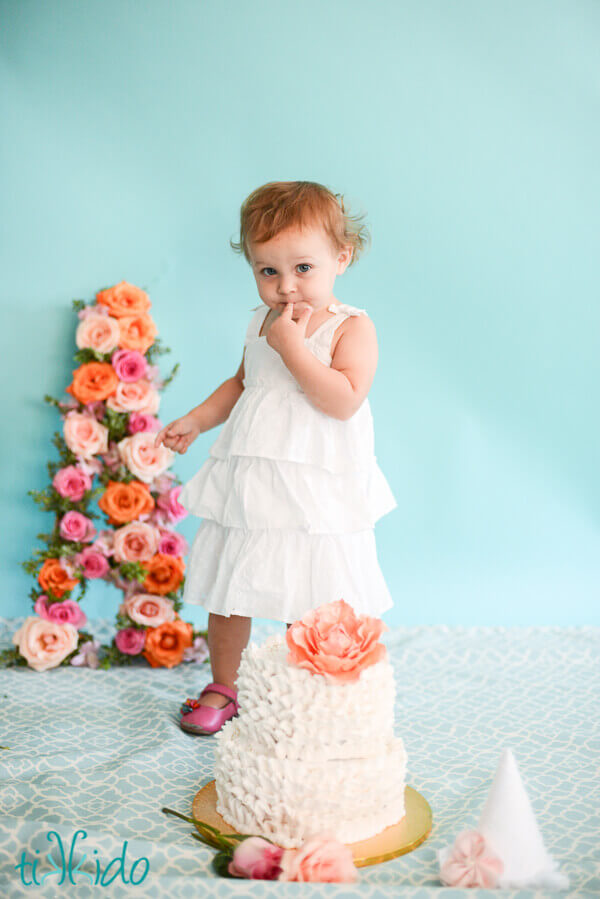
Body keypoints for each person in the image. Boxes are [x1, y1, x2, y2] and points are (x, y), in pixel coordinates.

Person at [154, 180, 397, 735]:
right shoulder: (262, 324)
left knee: (309, 587)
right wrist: (195, 419)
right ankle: (224, 684)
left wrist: (293, 348)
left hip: (315, 487)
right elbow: (242, 383)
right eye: (268, 272)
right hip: (255, 478)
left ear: (342, 257)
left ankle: (306, 686)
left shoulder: (350, 327)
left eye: (303, 269)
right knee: (231, 585)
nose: (286, 287)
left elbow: (342, 400)